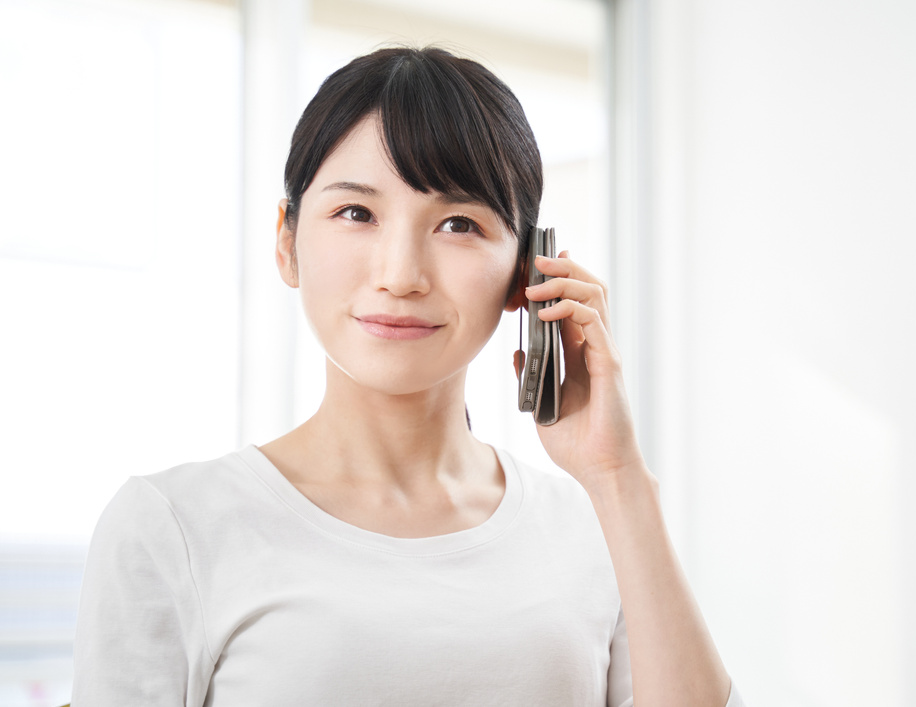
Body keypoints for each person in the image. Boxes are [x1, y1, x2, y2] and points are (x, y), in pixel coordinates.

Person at [71, 46, 744, 706]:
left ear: (527, 272)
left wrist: (618, 477)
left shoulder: (594, 529)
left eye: (458, 223)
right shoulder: (174, 526)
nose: (400, 275)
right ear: (287, 240)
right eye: (356, 213)